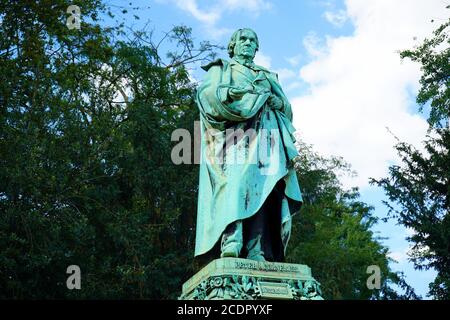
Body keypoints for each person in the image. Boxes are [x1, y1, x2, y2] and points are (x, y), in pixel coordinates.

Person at [194, 28, 302, 262]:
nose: (247, 43)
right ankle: (232, 241)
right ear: (232, 45)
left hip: (268, 139)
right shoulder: (221, 69)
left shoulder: (267, 75)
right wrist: (233, 94)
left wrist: (277, 101)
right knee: (236, 186)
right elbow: (207, 96)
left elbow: (288, 109)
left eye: (252, 40)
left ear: (257, 47)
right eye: (242, 39)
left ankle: (257, 249)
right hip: (236, 136)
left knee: (264, 193)